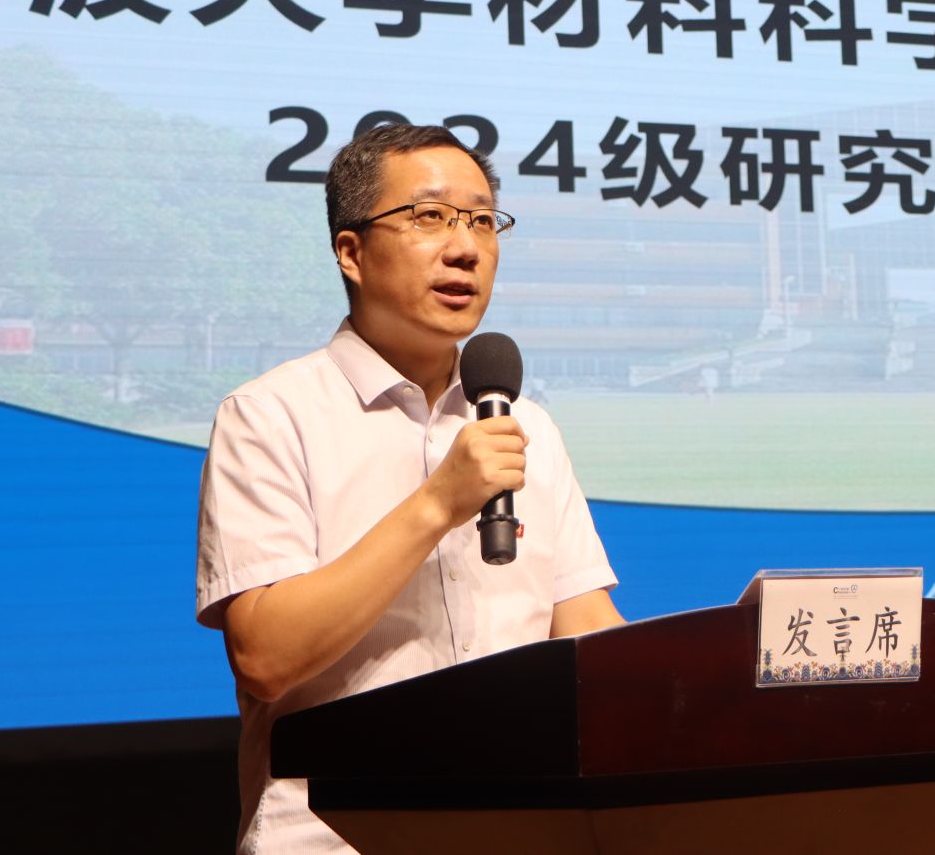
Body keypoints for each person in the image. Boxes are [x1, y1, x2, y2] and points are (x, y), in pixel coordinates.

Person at [194, 123, 624, 853]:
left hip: (518, 831)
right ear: (351, 252)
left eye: (482, 221)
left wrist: (712, 673)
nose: (465, 247)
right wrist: (437, 504)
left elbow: (584, 625)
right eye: (430, 217)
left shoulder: (526, 425)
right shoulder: (270, 415)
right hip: (335, 839)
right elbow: (264, 657)